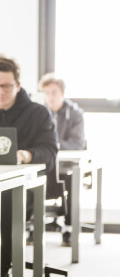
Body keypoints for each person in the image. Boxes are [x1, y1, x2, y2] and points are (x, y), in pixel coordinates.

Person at [0, 55, 58, 277]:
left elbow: (49, 153)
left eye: (6, 86)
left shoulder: (38, 113)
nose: (0, 91)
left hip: (22, 188)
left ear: (18, 85)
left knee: (5, 203)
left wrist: (25, 155)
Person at [39, 73, 87, 245]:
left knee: (72, 178)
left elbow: (77, 143)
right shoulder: (38, 113)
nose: (50, 97)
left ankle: (69, 227)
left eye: (54, 92)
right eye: (46, 93)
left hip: (66, 168)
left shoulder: (75, 114)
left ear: (62, 93)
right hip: (43, 167)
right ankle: (31, 226)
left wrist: (51, 145)